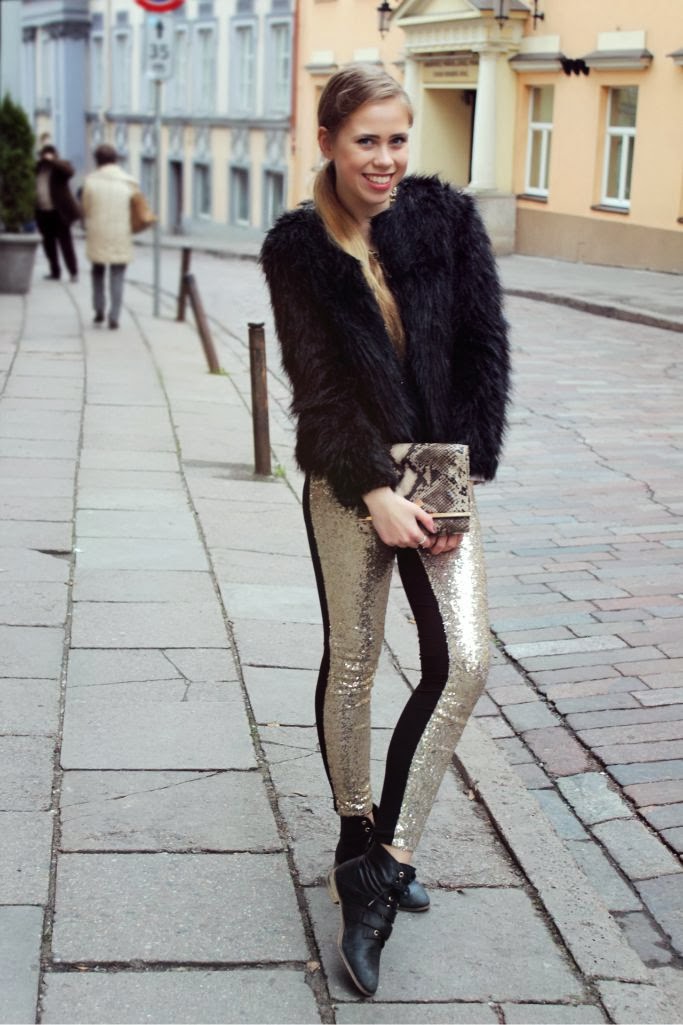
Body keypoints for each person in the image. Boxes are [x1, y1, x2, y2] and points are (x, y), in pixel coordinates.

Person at [260, 64, 510, 997]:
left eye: (397, 138)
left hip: (437, 470)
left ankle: (384, 865)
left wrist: (455, 483)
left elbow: (483, 349)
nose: (384, 158)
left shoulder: (446, 218)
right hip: (348, 477)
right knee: (355, 658)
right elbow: (319, 385)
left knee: (464, 660)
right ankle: (352, 836)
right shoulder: (298, 246)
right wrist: (375, 491)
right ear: (328, 141)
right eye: (365, 139)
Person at [81, 144, 138, 329]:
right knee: (118, 274)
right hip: (121, 232)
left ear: (97, 161)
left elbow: (86, 208)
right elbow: (136, 208)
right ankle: (114, 315)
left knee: (97, 271)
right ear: (116, 160)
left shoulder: (90, 181)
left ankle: (99, 309)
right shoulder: (129, 182)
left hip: (98, 231)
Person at [34, 144, 80, 281]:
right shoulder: (38, 169)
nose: (45, 158)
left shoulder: (61, 167)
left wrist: (53, 161)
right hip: (43, 212)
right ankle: (55, 272)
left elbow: (70, 172)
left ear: (55, 155)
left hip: (59, 213)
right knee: (48, 245)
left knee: (66, 243)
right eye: (43, 155)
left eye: (48, 155)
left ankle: (73, 272)